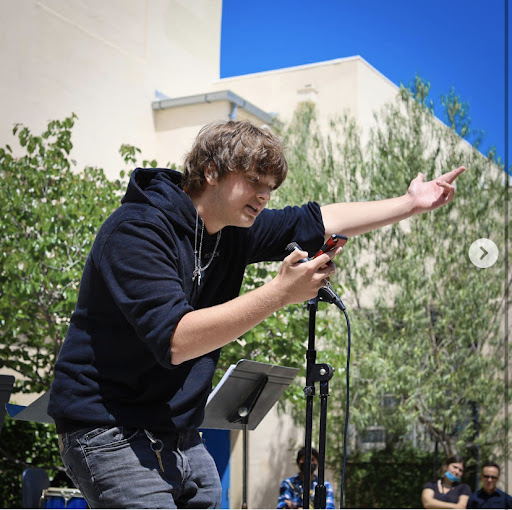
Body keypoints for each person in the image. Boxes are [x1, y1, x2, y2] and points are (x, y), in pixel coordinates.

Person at [48, 119, 465, 509]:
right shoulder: (137, 229)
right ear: (211, 171)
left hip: (177, 432)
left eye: (271, 187)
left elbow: (321, 219)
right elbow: (177, 340)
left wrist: (411, 204)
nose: (265, 195)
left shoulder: (233, 231)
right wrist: (280, 293)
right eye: (254, 182)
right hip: (108, 428)